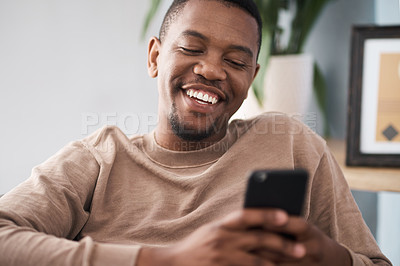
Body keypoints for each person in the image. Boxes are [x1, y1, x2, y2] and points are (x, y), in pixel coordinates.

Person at [0, 0, 392, 265]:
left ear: (252, 77)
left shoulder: (288, 142)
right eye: (191, 48)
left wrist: (330, 258)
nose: (212, 70)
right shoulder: (99, 158)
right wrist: (164, 260)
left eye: (235, 60)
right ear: (155, 57)